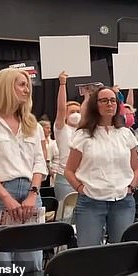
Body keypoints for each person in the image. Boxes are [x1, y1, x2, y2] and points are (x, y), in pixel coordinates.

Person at [0, 68, 48, 273]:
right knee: (1, 263)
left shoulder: (34, 125)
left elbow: (39, 163)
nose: (27, 90)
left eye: (28, 86)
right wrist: (6, 197)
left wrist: (33, 194)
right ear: (6, 87)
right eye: (22, 85)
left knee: (32, 260)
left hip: (31, 196)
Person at [64, 86, 138, 247]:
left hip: (122, 200)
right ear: (95, 104)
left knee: (122, 252)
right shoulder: (82, 135)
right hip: (91, 202)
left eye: (113, 100)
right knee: (89, 252)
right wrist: (80, 189)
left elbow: (136, 168)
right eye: (104, 100)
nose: (109, 104)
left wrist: (131, 187)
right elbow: (69, 171)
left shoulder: (126, 134)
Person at [53, 71, 82, 201]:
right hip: (64, 178)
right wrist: (62, 84)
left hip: (83, 176)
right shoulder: (61, 129)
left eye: (78, 112)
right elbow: (60, 109)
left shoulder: (84, 131)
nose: (76, 114)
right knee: (66, 215)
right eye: (72, 112)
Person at [39, 119, 58, 185]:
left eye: (50, 128)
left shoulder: (53, 143)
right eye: (47, 128)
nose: (49, 130)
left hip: (52, 172)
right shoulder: (37, 142)